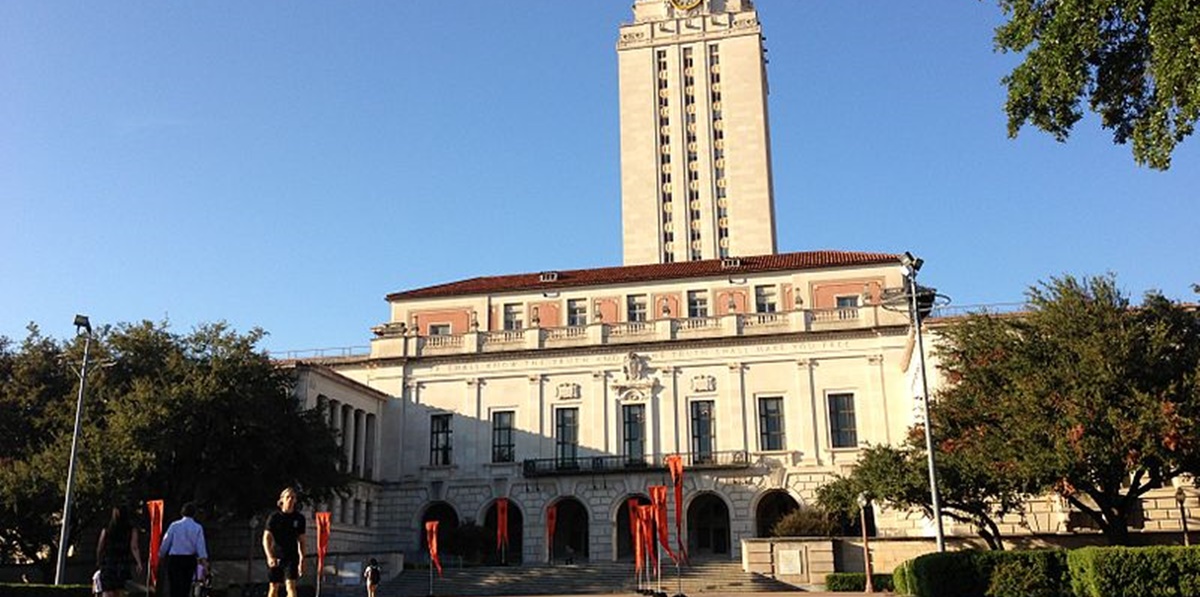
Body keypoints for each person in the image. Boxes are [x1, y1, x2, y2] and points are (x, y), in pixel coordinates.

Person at [158, 502, 208, 597]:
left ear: (182, 512)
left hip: (175, 559)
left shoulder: (174, 525)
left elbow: (166, 541)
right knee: (186, 586)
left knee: (174, 586)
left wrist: (161, 554)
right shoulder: (198, 527)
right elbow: (200, 546)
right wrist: (204, 562)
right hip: (189, 559)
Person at [263, 487, 306, 597]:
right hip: (276, 555)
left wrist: (302, 559)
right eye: (288, 497)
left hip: (291, 556)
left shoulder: (299, 518)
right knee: (273, 587)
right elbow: (266, 538)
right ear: (282, 499)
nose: (290, 500)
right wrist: (269, 556)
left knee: (291, 586)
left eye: (293, 497)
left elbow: (301, 540)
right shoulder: (274, 517)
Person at [96, 506, 144, 597]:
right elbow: (134, 547)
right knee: (120, 591)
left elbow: (100, 546)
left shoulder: (107, 529)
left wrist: (99, 560)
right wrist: (139, 562)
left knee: (107, 590)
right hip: (122, 562)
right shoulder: (131, 529)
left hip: (109, 561)